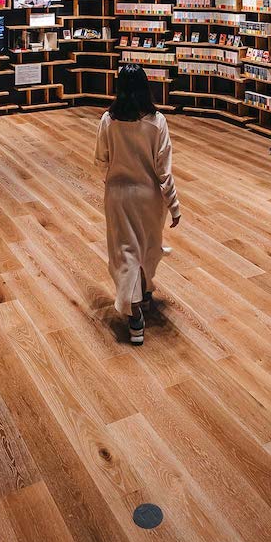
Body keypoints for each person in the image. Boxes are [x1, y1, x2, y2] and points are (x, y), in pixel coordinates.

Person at [94, 65, 181, 344]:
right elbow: (164, 170)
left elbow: (101, 159)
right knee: (147, 246)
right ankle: (139, 297)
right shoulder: (157, 121)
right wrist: (174, 205)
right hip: (149, 196)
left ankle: (134, 316)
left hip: (118, 195)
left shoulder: (108, 119)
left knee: (124, 252)